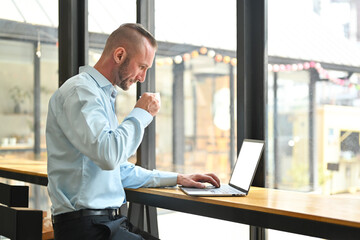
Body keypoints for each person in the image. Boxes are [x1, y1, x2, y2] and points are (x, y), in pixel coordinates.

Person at [46, 23, 220, 240]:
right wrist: (140, 114)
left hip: (105, 223)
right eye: (142, 67)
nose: (143, 77)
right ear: (119, 55)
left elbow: (118, 170)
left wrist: (178, 178)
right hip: (85, 228)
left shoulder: (99, 96)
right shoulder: (80, 92)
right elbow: (108, 155)